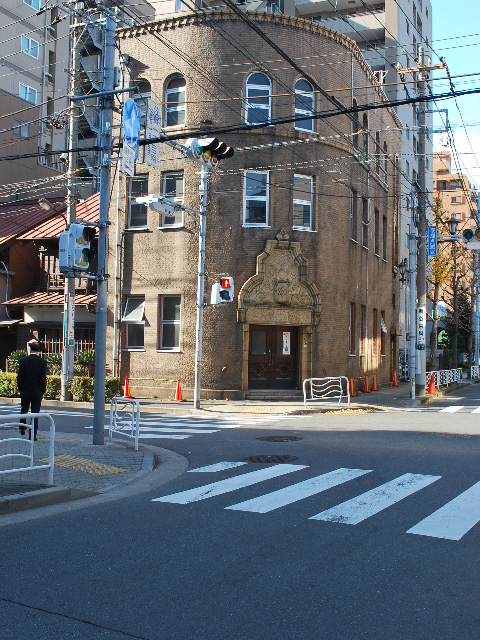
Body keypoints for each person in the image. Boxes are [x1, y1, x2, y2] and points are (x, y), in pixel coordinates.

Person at [17, 340, 47, 441]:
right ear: (39, 350)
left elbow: (20, 377)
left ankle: (22, 427)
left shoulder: (23, 361)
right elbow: (43, 379)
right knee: (35, 413)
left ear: (30, 349)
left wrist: (21, 388)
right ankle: (32, 435)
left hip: (25, 389)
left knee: (24, 409)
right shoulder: (42, 362)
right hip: (37, 390)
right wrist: (42, 390)